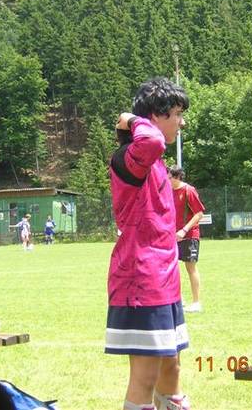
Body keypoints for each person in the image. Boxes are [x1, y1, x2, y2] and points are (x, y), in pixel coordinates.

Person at [106, 77, 191, 410]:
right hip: (141, 280)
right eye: (176, 114)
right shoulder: (130, 157)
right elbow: (153, 140)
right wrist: (132, 119)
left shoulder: (155, 161)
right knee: (144, 377)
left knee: (172, 366)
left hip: (165, 277)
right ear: (155, 116)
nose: (181, 122)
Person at [168, 166, 205, 314]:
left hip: (189, 235)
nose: (167, 180)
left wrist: (184, 230)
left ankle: (196, 302)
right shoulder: (168, 191)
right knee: (172, 268)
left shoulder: (188, 190)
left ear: (177, 177)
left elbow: (199, 213)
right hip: (171, 236)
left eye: (169, 177)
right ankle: (179, 299)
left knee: (190, 268)